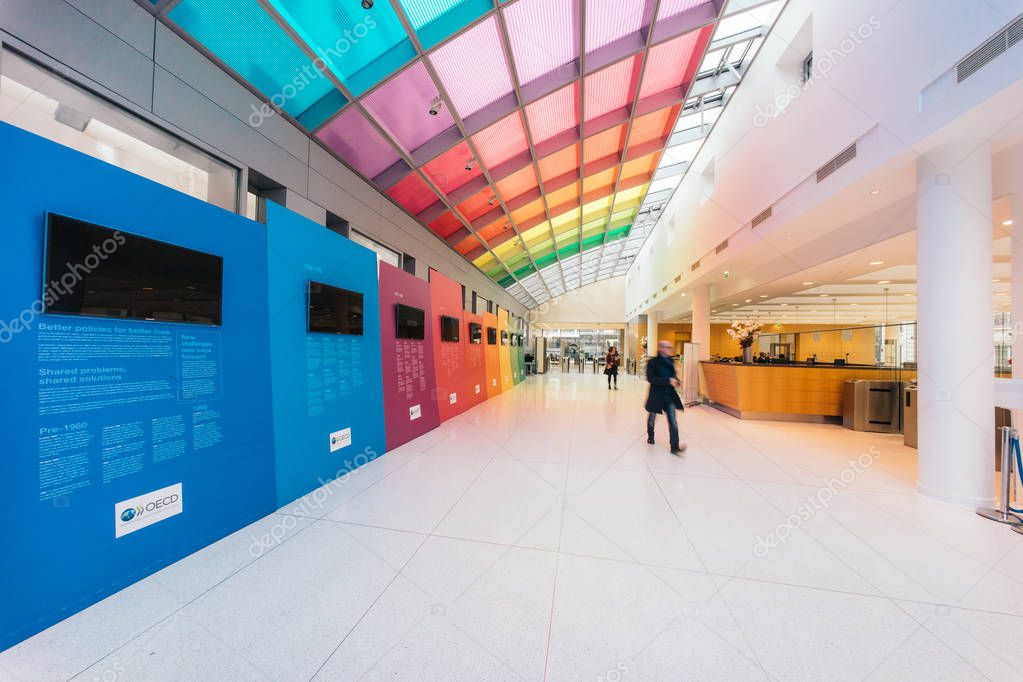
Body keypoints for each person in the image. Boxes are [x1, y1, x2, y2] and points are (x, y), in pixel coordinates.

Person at [645, 340, 685, 454]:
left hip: (669, 396)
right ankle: (651, 435)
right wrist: (668, 381)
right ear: (661, 348)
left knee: (673, 421)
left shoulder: (670, 361)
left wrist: (676, 381)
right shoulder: (652, 362)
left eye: (670, 347)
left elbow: (673, 376)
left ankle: (674, 447)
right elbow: (651, 379)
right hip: (656, 395)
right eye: (668, 347)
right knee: (652, 419)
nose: (670, 349)